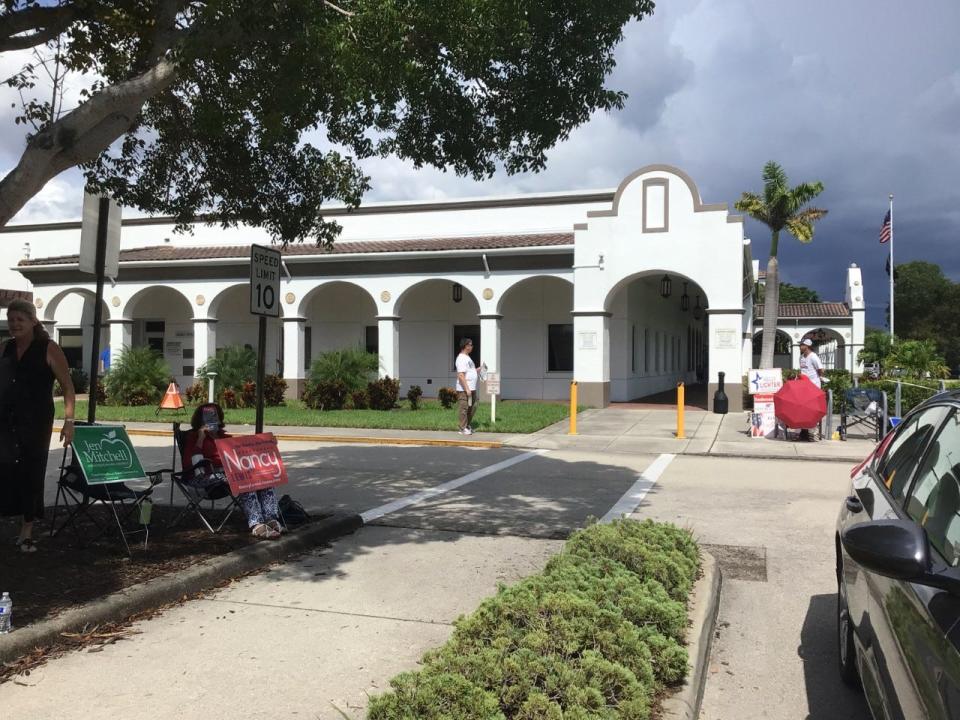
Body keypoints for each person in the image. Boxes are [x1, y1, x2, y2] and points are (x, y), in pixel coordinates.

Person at [0, 299, 76, 552]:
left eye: (20, 319)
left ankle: (27, 529)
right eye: (11, 320)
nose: (15, 325)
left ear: (33, 321)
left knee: (32, 471)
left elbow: (67, 387)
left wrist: (69, 421)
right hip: (5, 420)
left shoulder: (48, 347)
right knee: (5, 468)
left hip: (36, 421)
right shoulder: (5, 348)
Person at [182, 402, 282, 539]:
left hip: (227, 474)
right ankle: (256, 524)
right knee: (244, 480)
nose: (212, 419)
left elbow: (246, 452)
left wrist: (268, 444)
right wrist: (200, 439)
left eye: (215, 415)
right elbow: (191, 464)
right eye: (208, 416)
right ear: (200, 419)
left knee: (264, 477)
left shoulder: (225, 438)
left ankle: (271, 519)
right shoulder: (193, 437)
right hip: (205, 478)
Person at [798, 338, 824, 441]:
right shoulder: (801, 357)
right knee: (803, 409)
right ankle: (803, 431)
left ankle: (813, 433)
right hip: (804, 387)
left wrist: (818, 379)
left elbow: (821, 370)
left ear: (807, 346)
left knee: (813, 410)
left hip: (813, 388)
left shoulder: (813, 357)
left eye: (802, 345)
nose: (800, 347)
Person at [455, 337, 479, 435]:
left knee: (472, 407)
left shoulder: (467, 357)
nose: (472, 346)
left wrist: (478, 369)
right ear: (466, 346)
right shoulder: (461, 358)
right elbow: (461, 375)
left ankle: (467, 426)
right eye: (470, 344)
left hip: (472, 388)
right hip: (464, 389)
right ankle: (462, 428)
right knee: (464, 408)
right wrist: (467, 389)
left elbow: (469, 371)